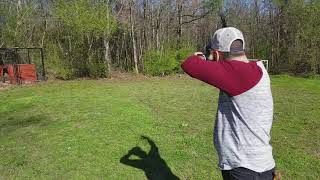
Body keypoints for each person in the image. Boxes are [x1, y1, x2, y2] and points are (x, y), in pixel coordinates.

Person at [181, 27, 276, 180]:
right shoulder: (257, 68)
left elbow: (189, 64)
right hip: (260, 166)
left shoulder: (238, 73)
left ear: (217, 54)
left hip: (244, 169)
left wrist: (202, 57)